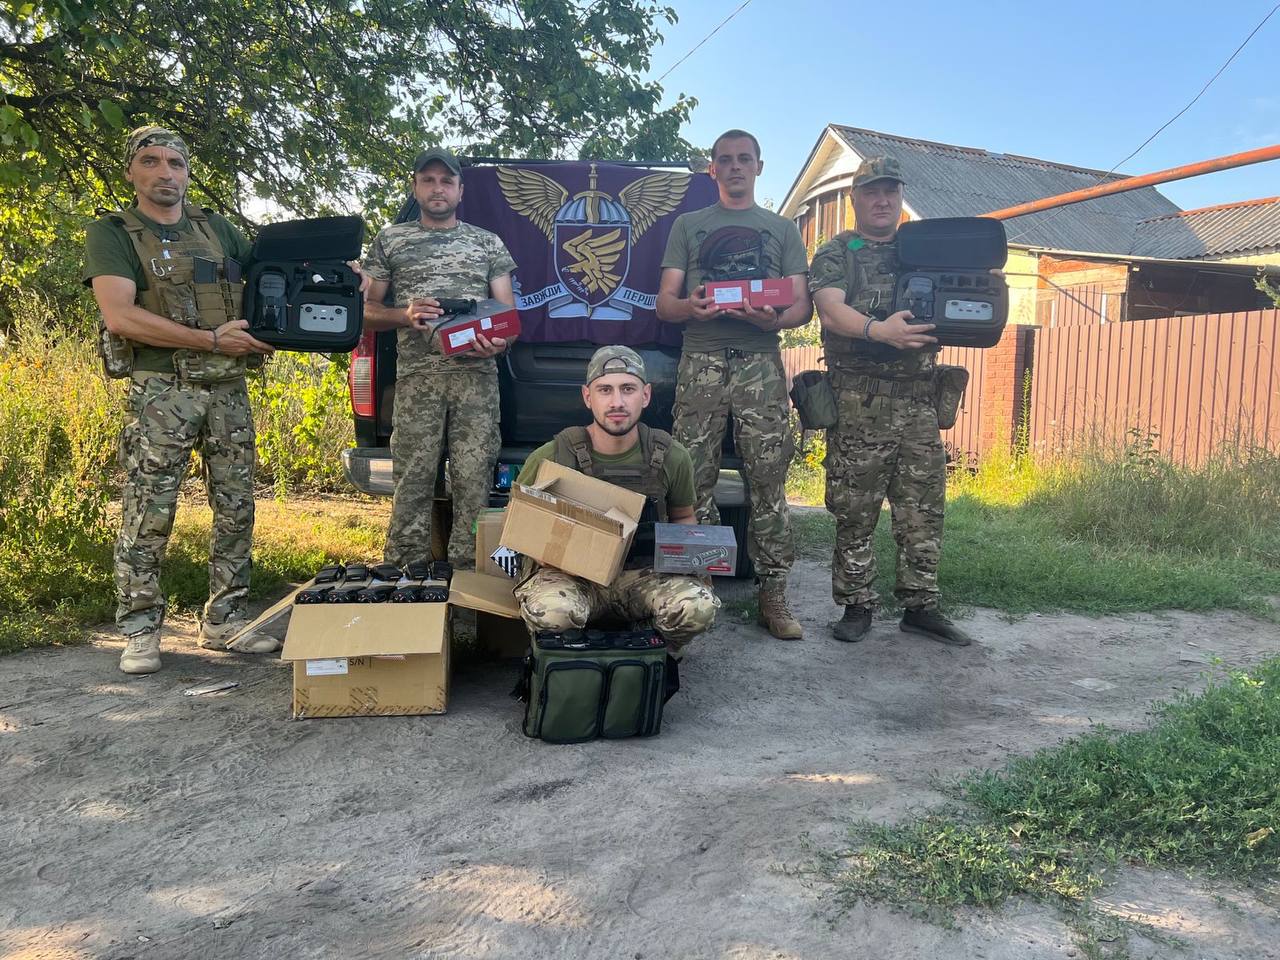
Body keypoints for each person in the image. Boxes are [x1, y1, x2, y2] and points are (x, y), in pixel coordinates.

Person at [84, 125, 276, 675]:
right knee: (150, 509)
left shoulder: (216, 230)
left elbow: (271, 282)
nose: (165, 172)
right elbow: (120, 315)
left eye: (176, 163)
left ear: (188, 172)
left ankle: (226, 619)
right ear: (132, 171)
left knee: (237, 505)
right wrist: (210, 339)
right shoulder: (114, 232)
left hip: (227, 389)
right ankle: (141, 627)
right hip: (161, 389)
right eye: (151, 161)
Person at [809, 156, 973, 646]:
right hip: (861, 402)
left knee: (923, 509)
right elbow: (830, 309)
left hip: (919, 404)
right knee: (854, 510)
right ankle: (857, 605)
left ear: (900, 197)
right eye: (871, 192)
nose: (882, 200)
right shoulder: (839, 250)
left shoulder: (922, 250)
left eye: (890, 192)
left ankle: (920, 605)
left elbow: (964, 292)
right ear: (855, 198)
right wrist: (880, 330)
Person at [656, 129, 812, 641]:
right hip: (699, 358)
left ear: (759, 167)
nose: (735, 167)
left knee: (767, 481)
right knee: (691, 479)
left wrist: (775, 322)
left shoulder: (782, 229)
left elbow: (801, 305)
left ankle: (774, 594)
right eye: (725, 160)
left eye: (744, 159)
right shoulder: (689, 225)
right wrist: (690, 307)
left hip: (759, 363)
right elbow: (665, 303)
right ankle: (697, 588)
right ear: (713, 170)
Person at [362, 148, 517, 571]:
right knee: (412, 480)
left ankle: (468, 578)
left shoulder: (487, 243)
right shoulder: (391, 239)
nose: (437, 188)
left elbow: (507, 316)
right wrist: (404, 315)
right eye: (428, 180)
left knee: (474, 482)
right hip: (417, 381)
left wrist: (498, 343)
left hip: (476, 382)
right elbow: (365, 312)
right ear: (415, 186)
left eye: (446, 181)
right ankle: (403, 574)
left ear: (460, 190)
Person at [514, 346, 720, 654]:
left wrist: (686, 558)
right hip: (574, 579)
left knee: (697, 607)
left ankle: (650, 657)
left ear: (646, 395)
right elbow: (517, 527)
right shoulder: (552, 456)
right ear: (587, 397)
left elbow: (683, 517)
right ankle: (568, 659)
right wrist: (551, 552)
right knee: (553, 613)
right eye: (605, 390)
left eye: (628, 389)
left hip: (641, 577)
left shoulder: (671, 456)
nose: (617, 402)